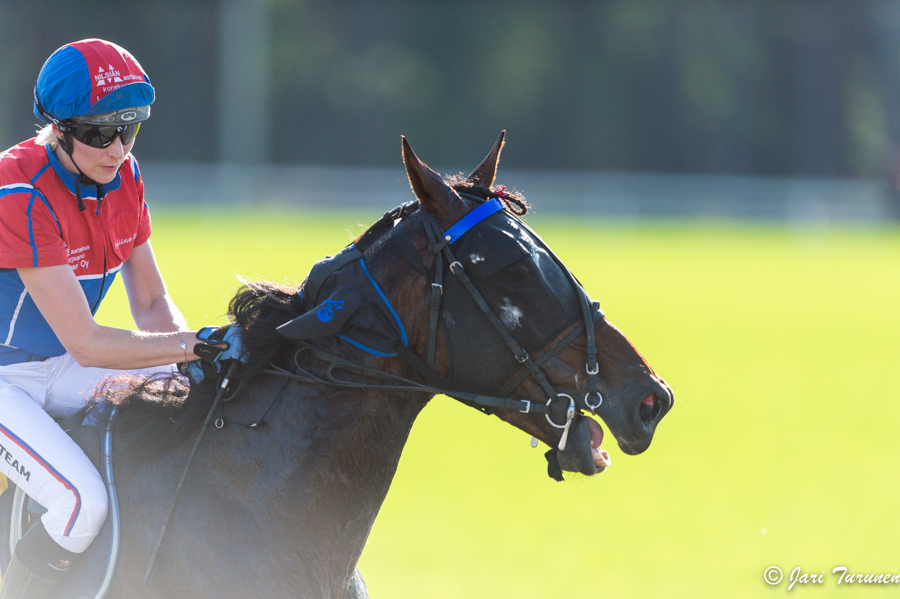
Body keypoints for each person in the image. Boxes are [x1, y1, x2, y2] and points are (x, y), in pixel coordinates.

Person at [0, 39, 240, 597]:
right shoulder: (17, 191)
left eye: (128, 129)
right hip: (7, 380)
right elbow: (86, 342)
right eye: (98, 133)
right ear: (59, 128)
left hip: (57, 365)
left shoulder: (124, 176)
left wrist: (190, 369)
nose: (116, 148)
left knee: (195, 403)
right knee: (81, 504)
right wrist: (197, 345)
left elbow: (152, 305)